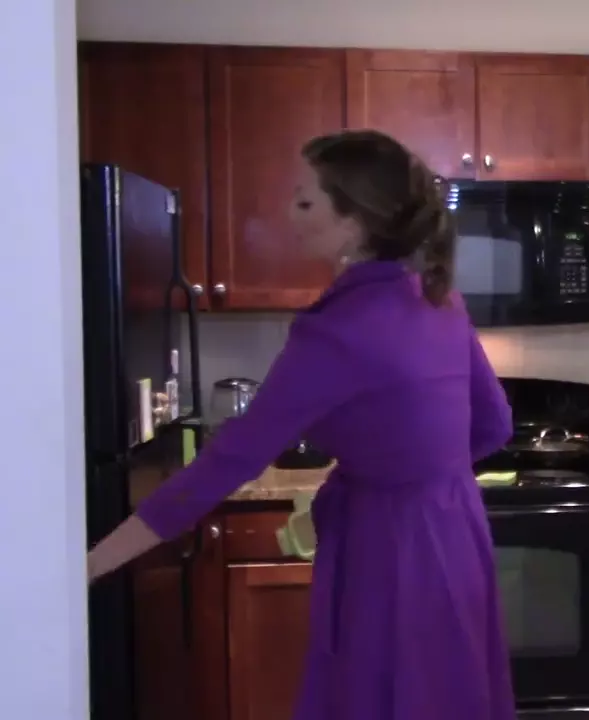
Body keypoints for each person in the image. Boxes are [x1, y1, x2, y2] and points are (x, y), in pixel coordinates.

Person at [87, 130, 518, 720]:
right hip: (458, 531)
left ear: (353, 224)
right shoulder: (439, 299)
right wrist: (420, 474)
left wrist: (91, 564)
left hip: (386, 550)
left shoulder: (336, 331)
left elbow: (228, 461)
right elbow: (495, 423)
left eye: (305, 200)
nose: (289, 212)